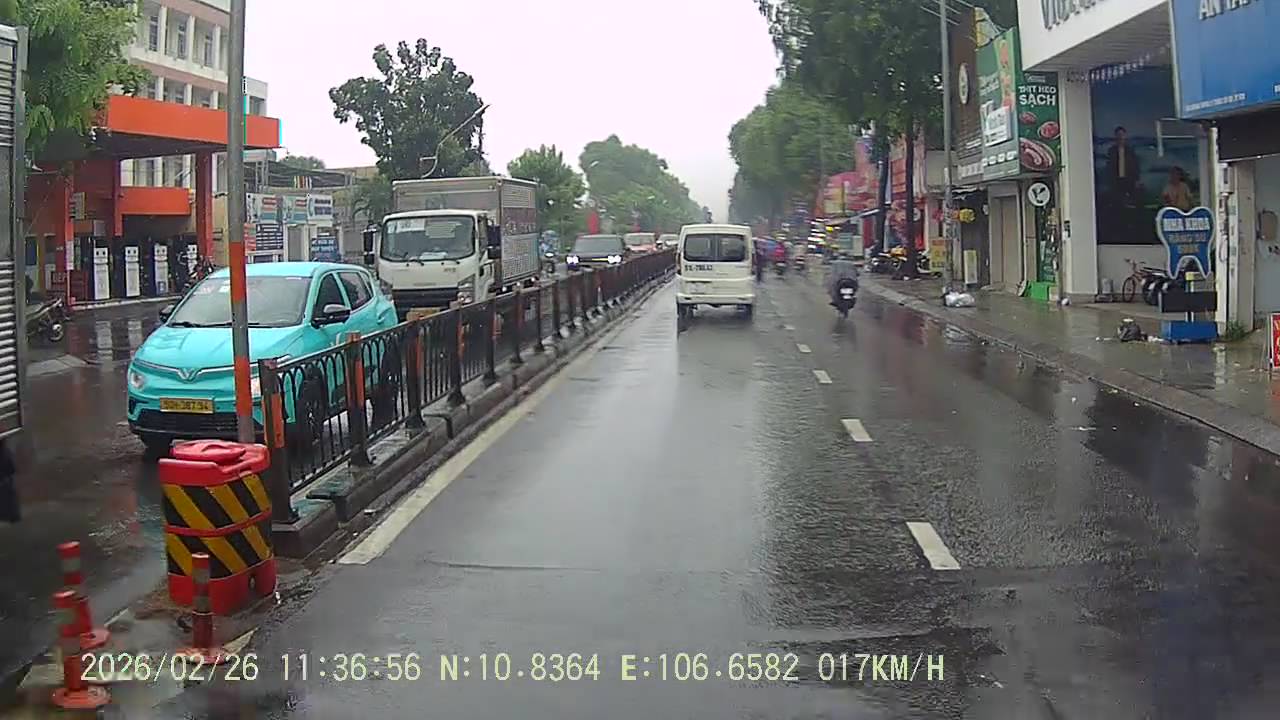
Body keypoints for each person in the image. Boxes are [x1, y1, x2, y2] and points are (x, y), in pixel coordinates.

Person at [1106, 126, 1141, 209]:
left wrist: (1137, 179)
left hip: (1128, 178)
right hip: (1116, 179)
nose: (1120, 137)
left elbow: (1135, 165)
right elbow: (1109, 165)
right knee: (1117, 201)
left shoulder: (1130, 150)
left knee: (1129, 201)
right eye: (1118, 135)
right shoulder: (1112, 150)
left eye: (1122, 135)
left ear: (1125, 136)